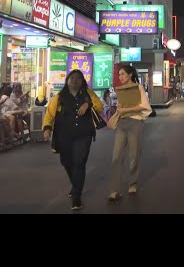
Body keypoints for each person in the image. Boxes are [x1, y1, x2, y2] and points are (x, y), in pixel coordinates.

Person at [43, 70, 103, 211]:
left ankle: (77, 196)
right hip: (64, 136)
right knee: (67, 162)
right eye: (72, 78)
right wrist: (47, 128)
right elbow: (50, 114)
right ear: (67, 80)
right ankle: (76, 185)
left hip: (84, 134)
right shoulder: (60, 96)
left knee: (80, 162)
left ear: (82, 81)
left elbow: (100, 106)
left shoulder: (87, 93)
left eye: (78, 78)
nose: (75, 80)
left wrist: (88, 104)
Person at [108, 65, 152, 201]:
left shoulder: (138, 88)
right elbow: (121, 107)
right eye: (119, 74)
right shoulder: (120, 90)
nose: (120, 77)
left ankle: (132, 184)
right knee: (116, 157)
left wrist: (127, 110)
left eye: (122, 74)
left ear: (130, 75)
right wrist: (121, 108)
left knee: (133, 155)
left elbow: (145, 106)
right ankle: (114, 189)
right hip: (122, 123)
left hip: (135, 123)